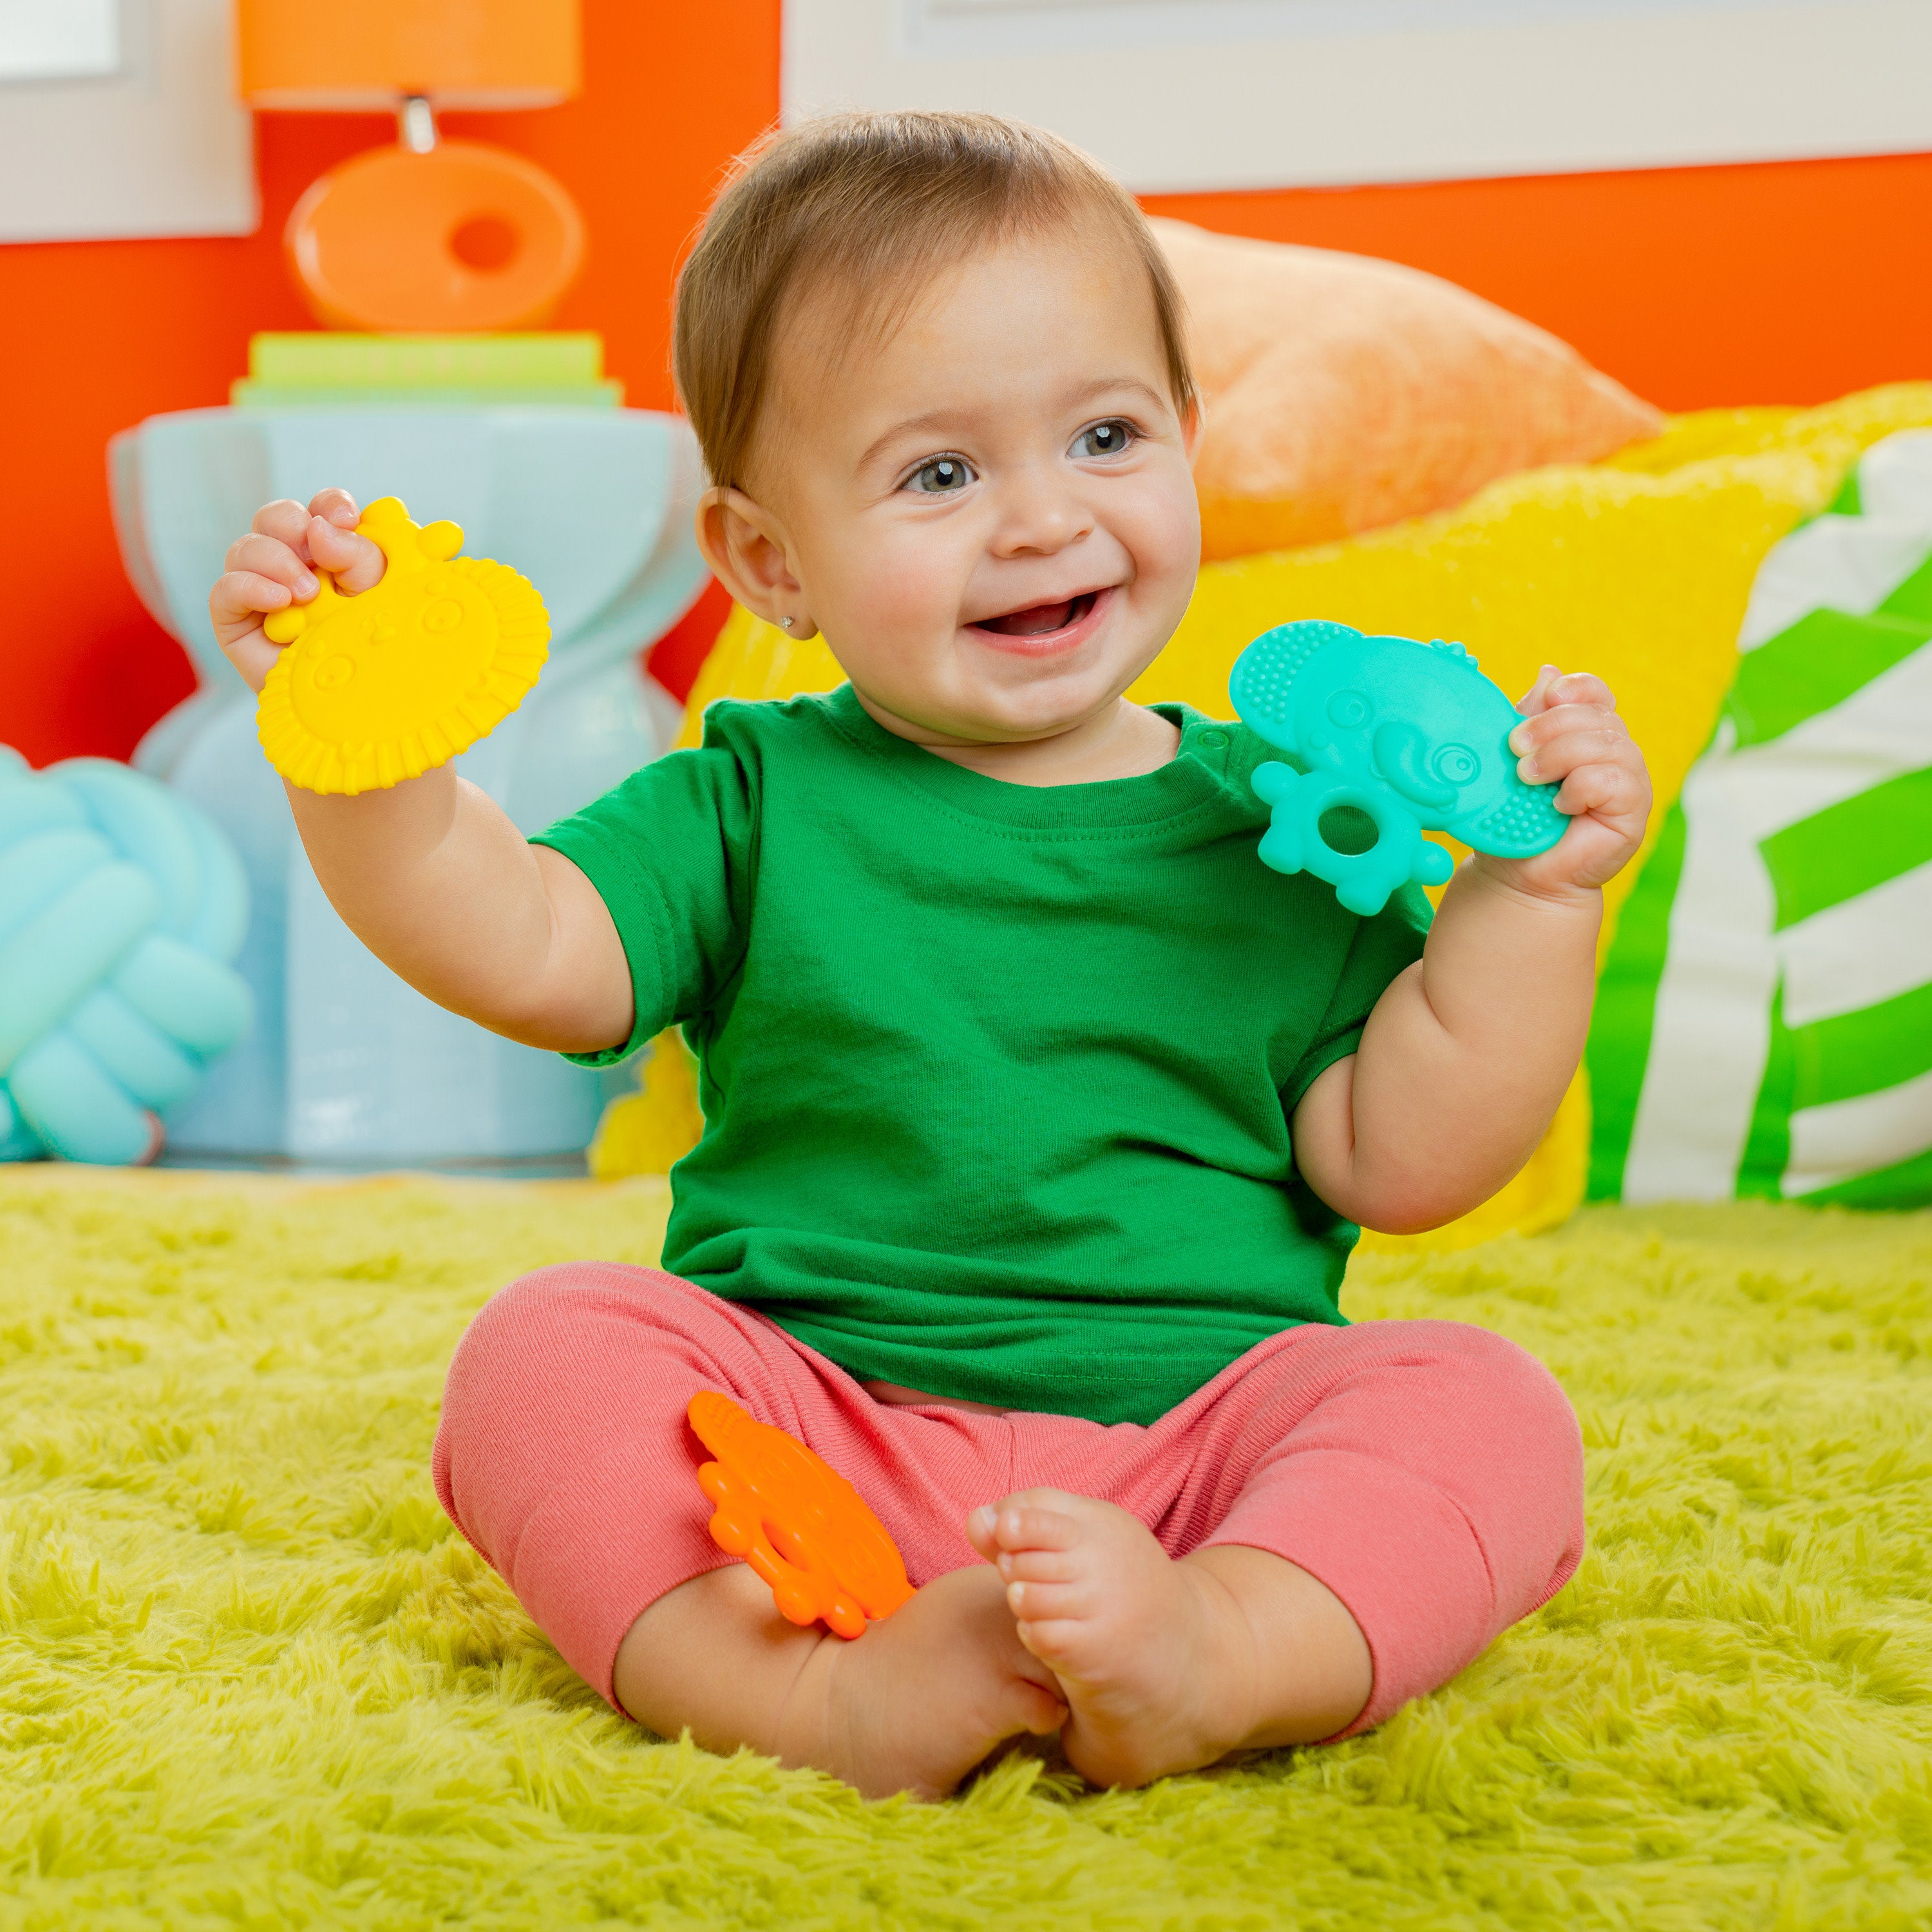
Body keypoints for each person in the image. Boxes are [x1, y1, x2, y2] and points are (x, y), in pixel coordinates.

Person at [208, 110, 1651, 1801]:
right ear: (774, 561)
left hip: (1207, 1454)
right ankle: (813, 1697)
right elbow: (528, 944)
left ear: (1187, 440)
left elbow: (1405, 1163)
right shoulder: (756, 797)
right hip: (797, 1438)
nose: (1043, 520)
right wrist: (365, 762)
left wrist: (1530, 902)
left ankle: (1219, 1650)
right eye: (940, 475)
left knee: (1482, 1402)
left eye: (1105, 436)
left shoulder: (1283, 821)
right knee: (548, 1347)